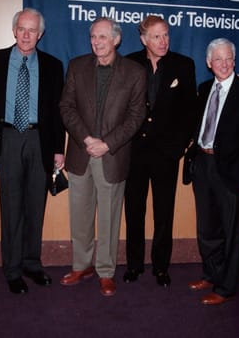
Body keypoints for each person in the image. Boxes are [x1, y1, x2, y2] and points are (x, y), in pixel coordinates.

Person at [0, 8, 65, 294]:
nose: (27, 35)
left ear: (40, 34)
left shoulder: (52, 65)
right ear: (14, 31)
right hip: (9, 139)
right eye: (22, 29)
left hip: (40, 140)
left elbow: (57, 111)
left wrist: (58, 150)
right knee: (11, 206)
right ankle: (12, 269)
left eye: (32, 30)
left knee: (36, 206)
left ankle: (31, 263)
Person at [59, 17, 146, 296]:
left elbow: (136, 117)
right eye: (93, 37)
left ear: (116, 40)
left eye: (103, 37)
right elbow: (66, 106)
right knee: (80, 216)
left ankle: (106, 271)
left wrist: (107, 144)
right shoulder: (77, 66)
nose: (96, 42)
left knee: (110, 219)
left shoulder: (134, 72)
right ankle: (81, 265)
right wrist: (87, 139)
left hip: (112, 155)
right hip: (81, 153)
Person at [123, 15, 198, 287]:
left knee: (164, 213)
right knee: (133, 210)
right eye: (156, 36)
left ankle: (161, 267)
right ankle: (133, 265)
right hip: (134, 153)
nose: (163, 41)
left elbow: (191, 111)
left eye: (166, 35)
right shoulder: (129, 63)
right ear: (144, 40)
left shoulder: (183, 65)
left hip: (167, 154)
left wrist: (178, 147)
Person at [188, 38, 239, 305]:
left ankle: (226, 286)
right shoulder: (204, 87)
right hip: (203, 165)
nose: (223, 63)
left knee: (231, 231)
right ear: (209, 63)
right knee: (207, 228)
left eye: (228, 58)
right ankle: (211, 274)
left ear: (234, 60)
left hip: (230, 170)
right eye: (217, 59)